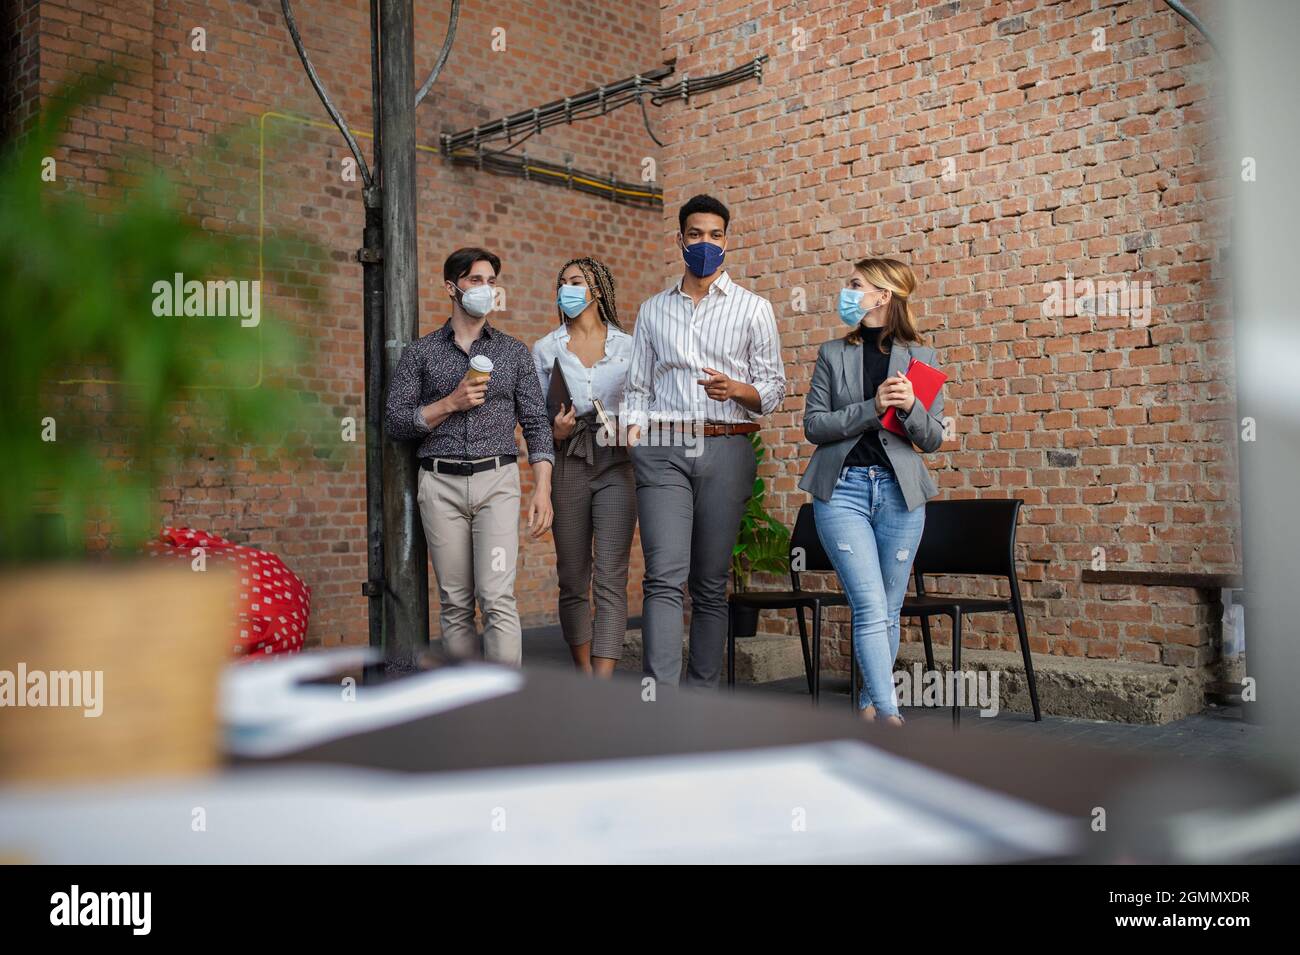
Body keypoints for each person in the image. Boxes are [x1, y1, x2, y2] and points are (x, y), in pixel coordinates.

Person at [623, 194, 786, 689]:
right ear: (680, 239)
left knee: (711, 583)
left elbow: (774, 388)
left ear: (727, 241)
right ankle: (660, 698)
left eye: (715, 235)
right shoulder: (653, 311)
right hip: (664, 449)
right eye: (696, 234)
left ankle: (703, 699)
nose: (705, 244)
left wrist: (737, 390)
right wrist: (635, 431)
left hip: (727, 446)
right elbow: (637, 385)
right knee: (663, 576)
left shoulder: (756, 310)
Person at [384, 247, 554, 666]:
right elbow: (395, 421)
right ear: (451, 288)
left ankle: (504, 704)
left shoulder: (513, 353)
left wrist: (543, 489)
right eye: (475, 280)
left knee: (497, 597)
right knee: (455, 602)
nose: (486, 289)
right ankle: (464, 704)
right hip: (439, 485)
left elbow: (536, 422)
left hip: (497, 481)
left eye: (491, 281)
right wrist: (450, 403)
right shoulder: (420, 353)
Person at [799, 257, 946, 725]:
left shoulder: (922, 359)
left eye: (855, 285)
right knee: (868, 603)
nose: (847, 291)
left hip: (900, 495)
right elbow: (814, 425)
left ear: (883, 296)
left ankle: (867, 707)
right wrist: (872, 406)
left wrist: (908, 410)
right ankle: (891, 715)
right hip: (841, 490)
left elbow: (933, 438)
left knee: (888, 606)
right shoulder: (832, 353)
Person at [532, 257, 637, 678]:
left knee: (611, 575)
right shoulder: (545, 348)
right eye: (562, 283)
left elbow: (645, 400)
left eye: (576, 282)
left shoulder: (629, 346)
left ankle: (603, 684)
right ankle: (583, 676)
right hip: (569, 458)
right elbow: (537, 421)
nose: (566, 290)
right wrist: (556, 432)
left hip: (617, 460)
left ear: (598, 290)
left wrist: (635, 421)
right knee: (573, 576)